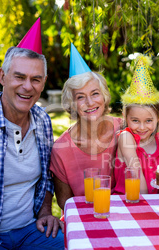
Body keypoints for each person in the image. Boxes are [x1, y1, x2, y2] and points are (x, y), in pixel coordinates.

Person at [0, 18, 64, 250]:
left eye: (36, 79)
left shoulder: (42, 119)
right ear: (2, 76)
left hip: (29, 231)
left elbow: (46, 177)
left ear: (43, 83)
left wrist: (46, 211)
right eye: (19, 76)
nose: (27, 86)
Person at [50, 44, 122, 210]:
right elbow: (66, 205)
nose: (90, 103)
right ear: (72, 105)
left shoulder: (123, 129)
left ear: (104, 97)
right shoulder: (61, 150)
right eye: (80, 97)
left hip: (124, 215)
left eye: (95, 93)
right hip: (85, 219)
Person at [114, 55, 159, 195]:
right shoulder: (126, 138)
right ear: (125, 117)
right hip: (127, 204)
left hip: (155, 206)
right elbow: (136, 174)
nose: (142, 127)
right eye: (135, 120)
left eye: (149, 121)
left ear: (158, 118)